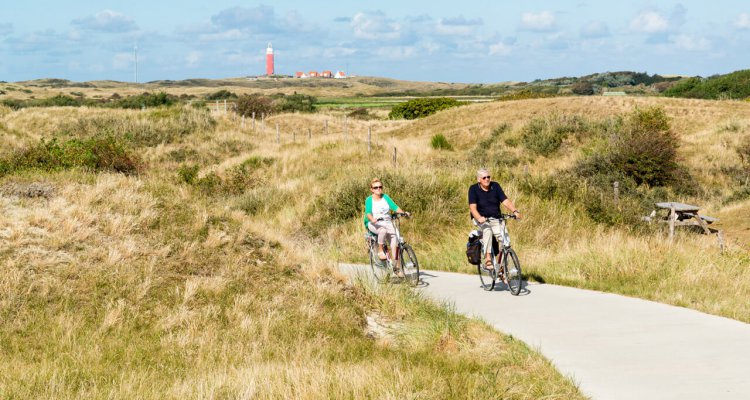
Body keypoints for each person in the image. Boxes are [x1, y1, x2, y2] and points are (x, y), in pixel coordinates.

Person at [468, 168, 523, 270]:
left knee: (505, 239)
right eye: (484, 177)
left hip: (496, 218)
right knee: (487, 230)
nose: (487, 179)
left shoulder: (495, 186)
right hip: (481, 219)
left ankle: (503, 268)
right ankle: (488, 258)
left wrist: (515, 211)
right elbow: (473, 208)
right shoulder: (473, 189)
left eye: (488, 177)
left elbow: (505, 201)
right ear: (479, 179)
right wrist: (479, 218)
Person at [364, 178, 409, 265]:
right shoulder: (369, 199)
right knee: (382, 231)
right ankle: (380, 251)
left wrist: (403, 213)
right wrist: (372, 219)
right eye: (375, 187)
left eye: (380, 187)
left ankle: (397, 267)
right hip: (374, 223)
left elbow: (394, 207)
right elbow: (368, 213)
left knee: (395, 244)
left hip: (387, 222)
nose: (378, 189)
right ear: (372, 190)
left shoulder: (385, 197)